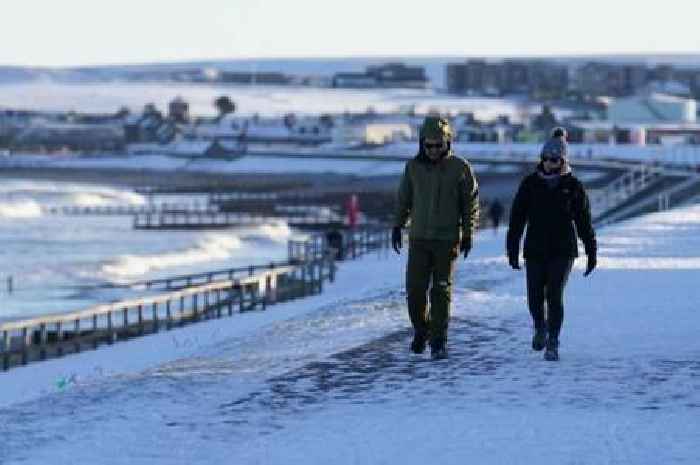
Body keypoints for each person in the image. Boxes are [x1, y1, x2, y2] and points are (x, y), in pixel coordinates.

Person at [392, 116, 480, 360]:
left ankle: (439, 340)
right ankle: (422, 330)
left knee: (441, 291)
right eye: (429, 145)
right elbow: (404, 199)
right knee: (415, 291)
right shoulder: (412, 168)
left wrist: (469, 232)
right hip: (419, 238)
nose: (433, 150)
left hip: (447, 239)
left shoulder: (461, 169)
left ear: (448, 143)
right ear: (422, 144)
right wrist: (397, 225)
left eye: (438, 145)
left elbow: (470, 204)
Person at [506, 127, 597, 361]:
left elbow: (584, 221)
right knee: (534, 295)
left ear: (563, 160)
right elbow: (517, 219)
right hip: (535, 249)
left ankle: (553, 341)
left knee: (554, 295)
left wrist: (591, 250)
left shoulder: (573, 187)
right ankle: (540, 326)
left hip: (563, 250)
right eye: (545, 159)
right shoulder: (529, 184)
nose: (548, 163)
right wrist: (512, 249)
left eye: (554, 159)